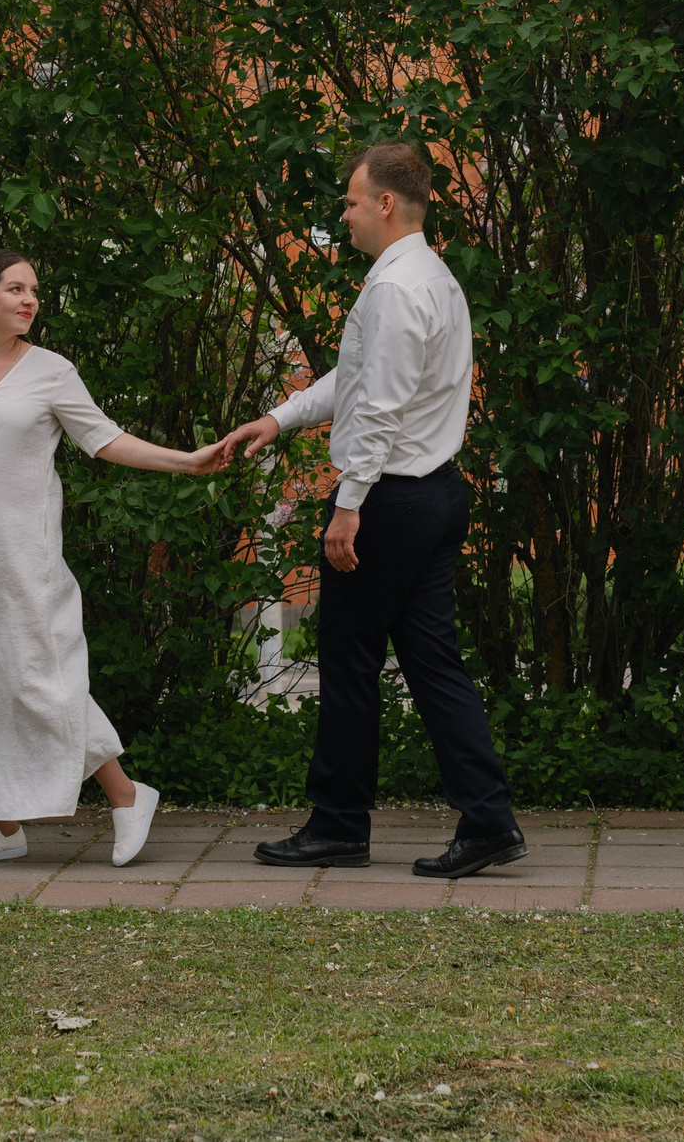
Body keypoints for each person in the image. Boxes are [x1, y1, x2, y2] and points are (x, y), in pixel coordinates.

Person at [0, 249, 229, 868]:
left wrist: (186, 460)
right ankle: (3, 827)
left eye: (34, 290)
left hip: (23, 557)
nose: (30, 300)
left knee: (38, 679)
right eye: (15, 289)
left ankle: (128, 795)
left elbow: (104, 440)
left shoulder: (51, 372)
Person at [214, 142, 525, 879]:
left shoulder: (392, 289)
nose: (344, 215)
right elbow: (359, 377)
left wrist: (348, 506)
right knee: (433, 662)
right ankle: (487, 818)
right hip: (433, 493)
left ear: (386, 203)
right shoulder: (433, 277)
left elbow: (379, 409)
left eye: (351, 202)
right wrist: (280, 418)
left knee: (349, 660)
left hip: (389, 498)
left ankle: (339, 824)